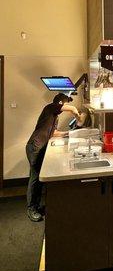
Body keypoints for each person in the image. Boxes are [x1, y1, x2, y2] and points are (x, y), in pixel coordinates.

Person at [26, 93, 80, 222]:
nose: (67, 106)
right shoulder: (50, 108)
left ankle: (37, 206)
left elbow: (53, 132)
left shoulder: (54, 116)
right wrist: (79, 117)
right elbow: (72, 109)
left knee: (38, 178)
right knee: (35, 177)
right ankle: (31, 209)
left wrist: (69, 133)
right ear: (61, 103)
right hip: (35, 146)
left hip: (39, 146)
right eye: (66, 103)